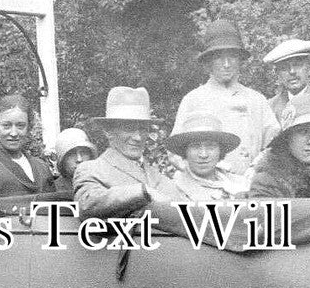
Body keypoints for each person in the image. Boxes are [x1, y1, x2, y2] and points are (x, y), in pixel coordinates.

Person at [172, 19, 279, 178]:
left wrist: (256, 167)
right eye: (219, 57)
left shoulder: (257, 100)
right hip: (206, 187)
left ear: (240, 60)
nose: (227, 64)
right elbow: (174, 153)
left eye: (232, 57)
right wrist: (206, 169)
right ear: (208, 62)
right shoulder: (193, 99)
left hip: (250, 185)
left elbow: (275, 146)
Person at [73, 87, 181, 218]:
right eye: (129, 128)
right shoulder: (92, 170)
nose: (138, 137)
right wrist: (142, 191)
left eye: (143, 129)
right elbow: (87, 205)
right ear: (108, 131)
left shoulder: (158, 176)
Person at [0, 93, 56, 199]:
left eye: (20, 126)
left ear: (29, 128)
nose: (13, 133)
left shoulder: (42, 167)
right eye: (6, 126)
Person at [166, 113, 244, 202]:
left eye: (210, 146)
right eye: (195, 147)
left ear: (220, 150)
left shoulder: (240, 183)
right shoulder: (175, 191)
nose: (203, 155)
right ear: (185, 151)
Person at [53, 127, 97, 197]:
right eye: (71, 154)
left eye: (83, 152)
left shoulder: (101, 185)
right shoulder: (52, 189)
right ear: (62, 160)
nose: (79, 159)